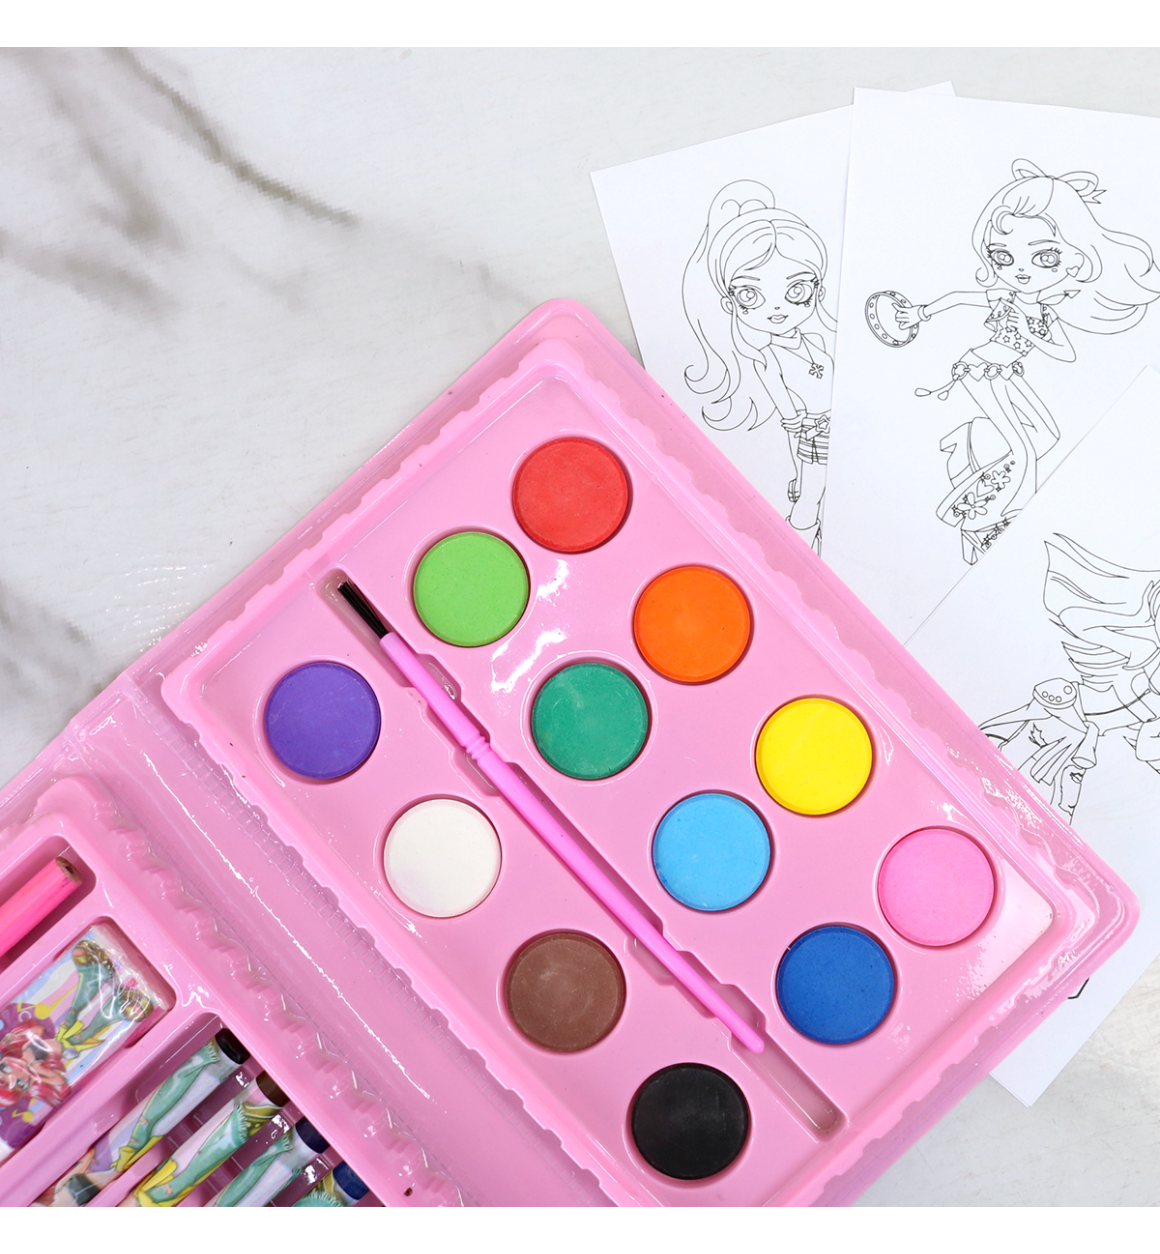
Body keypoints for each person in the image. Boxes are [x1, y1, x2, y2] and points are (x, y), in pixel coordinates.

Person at [891, 161, 1159, 562]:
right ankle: (986, 524)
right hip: (981, 370)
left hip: (1006, 372)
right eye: (1002, 256)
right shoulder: (1006, 296)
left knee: (1047, 438)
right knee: (1023, 452)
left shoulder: (1046, 309)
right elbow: (961, 297)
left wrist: (1032, 332)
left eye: (1045, 258)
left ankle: (970, 475)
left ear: (1075, 258)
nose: (1018, 271)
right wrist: (920, 313)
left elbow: (1064, 352)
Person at [683, 180, 835, 551]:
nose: (777, 307)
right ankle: (799, 556)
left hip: (839, 429)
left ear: (818, 290)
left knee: (826, 496)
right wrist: (799, 457)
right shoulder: (768, 356)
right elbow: (791, 419)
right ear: (730, 303)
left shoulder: (816, 342)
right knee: (810, 501)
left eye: (796, 290)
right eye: (751, 294)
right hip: (816, 433)